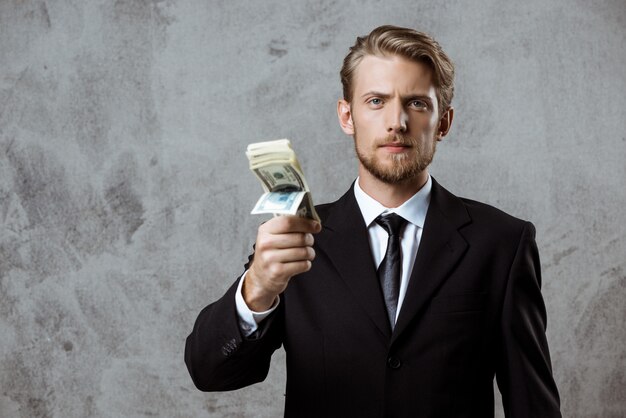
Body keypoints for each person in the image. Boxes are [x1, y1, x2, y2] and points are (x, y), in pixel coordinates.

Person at [185, 25, 562, 417]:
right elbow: (209, 372)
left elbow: (533, 404)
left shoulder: (501, 242)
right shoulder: (296, 239)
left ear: (444, 122)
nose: (396, 121)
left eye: (417, 103)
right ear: (347, 116)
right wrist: (257, 289)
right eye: (376, 101)